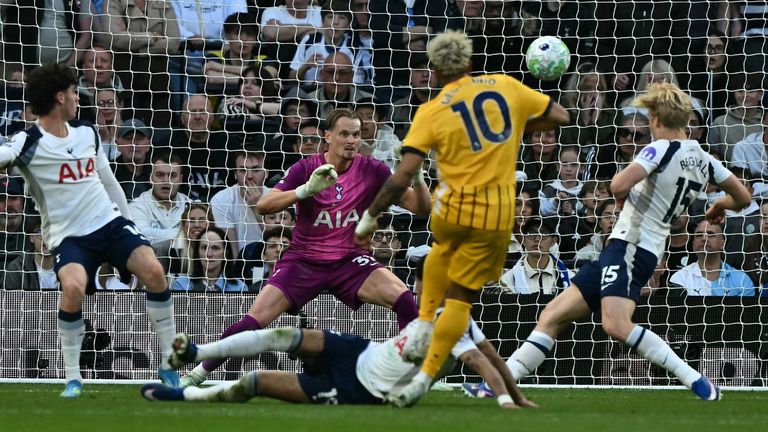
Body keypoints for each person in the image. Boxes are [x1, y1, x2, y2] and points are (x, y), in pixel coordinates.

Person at [496, 83, 752, 402]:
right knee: (552, 315)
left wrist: (622, 197)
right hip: (630, 248)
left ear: (656, 120)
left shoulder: (658, 149)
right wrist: (718, 206)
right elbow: (742, 197)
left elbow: (617, 184)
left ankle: (696, 380)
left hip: (630, 247)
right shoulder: (704, 159)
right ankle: (499, 385)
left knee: (616, 325)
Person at [354, 31, 570, 407]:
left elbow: (401, 177)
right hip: (494, 216)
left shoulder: (431, 110)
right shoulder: (505, 87)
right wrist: (513, 124)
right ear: (470, 63)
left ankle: (425, 325)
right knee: (459, 305)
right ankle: (424, 376)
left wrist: (370, 217)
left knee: (438, 268)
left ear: (435, 72)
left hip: (449, 211)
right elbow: (560, 116)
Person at [179, 108, 431, 387]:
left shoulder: (373, 169)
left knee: (405, 300)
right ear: (328, 137)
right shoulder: (306, 169)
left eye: (356, 135)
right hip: (303, 261)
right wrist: (305, 191)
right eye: (344, 134)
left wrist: (417, 177)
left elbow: (421, 208)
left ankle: (410, 375)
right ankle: (197, 373)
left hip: (350, 261)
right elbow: (263, 206)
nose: (351, 140)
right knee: (255, 319)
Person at [0, 64, 180, 397]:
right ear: (59, 97)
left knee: (155, 272)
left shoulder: (87, 132)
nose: (76, 99)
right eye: (72, 93)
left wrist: (127, 223)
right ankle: (73, 377)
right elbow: (7, 153)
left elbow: (109, 182)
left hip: (109, 225)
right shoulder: (29, 142)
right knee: (73, 288)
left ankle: (169, 363)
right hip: (68, 236)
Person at [141, 318, 537, 408]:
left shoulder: (459, 326)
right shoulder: (439, 305)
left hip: (362, 390)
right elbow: (495, 362)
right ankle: (198, 353)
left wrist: (508, 400)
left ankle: (187, 396)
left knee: (255, 382)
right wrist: (515, 394)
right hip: (360, 351)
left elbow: (486, 362)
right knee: (286, 335)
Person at [669, 221, 756, 297]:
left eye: (710, 234)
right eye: (699, 235)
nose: (704, 238)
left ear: (722, 244)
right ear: (693, 244)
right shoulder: (680, 278)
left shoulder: (742, 281)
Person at [128, 151, 190, 249]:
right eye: (160, 175)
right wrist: (186, 233)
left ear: (181, 179)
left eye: (172, 176)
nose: (166, 180)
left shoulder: (192, 206)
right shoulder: (136, 206)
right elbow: (141, 235)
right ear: (151, 178)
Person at [171, 226, 249, 292]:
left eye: (215, 248)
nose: (209, 254)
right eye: (204, 248)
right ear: (197, 252)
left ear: (225, 253)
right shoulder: (182, 285)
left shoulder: (239, 288)